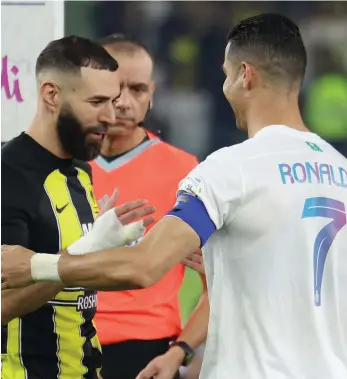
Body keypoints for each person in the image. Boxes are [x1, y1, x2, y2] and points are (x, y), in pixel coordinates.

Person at [3, 13, 347, 379]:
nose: (224, 88)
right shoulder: (340, 170)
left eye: (226, 76)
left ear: (245, 76)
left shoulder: (232, 168)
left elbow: (144, 266)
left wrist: (35, 265)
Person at [1, 35, 155, 379]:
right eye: (97, 101)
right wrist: (87, 248)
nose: (110, 116)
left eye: (113, 102)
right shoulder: (7, 176)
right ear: (51, 95)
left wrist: (115, 251)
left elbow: (77, 284)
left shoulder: (79, 170)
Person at [91, 35, 208, 379]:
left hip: (148, 353)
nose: (125, 102)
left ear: (152, 95)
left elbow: (219, 285)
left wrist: (181, 353)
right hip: (64, 347)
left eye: (138, 90)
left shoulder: (186, 173)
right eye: (115, 90)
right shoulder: (58, 167)